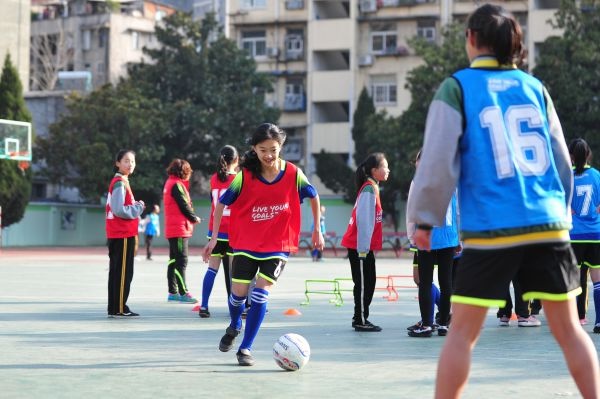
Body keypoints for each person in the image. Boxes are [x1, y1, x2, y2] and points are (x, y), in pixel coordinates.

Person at [407, 4, 599, 397]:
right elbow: (562, 161)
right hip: (548, 225)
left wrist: (424, 219)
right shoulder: (535, 88)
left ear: (472, 40)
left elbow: (438, 161)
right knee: (569, 331)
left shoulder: (456, 87)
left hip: (493, 229)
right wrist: (559, 214)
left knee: (461, 334)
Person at [202, 123, 324, 367]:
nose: (269, 155)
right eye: (263, 150)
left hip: (278, 244)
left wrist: (317, 230)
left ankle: (246, 348)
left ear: (281, 147)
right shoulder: (244, 176)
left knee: (260, 292)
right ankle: (235, 323)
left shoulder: (293, 173)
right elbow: (221, 205)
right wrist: (214, 238)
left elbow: (313, 195)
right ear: (254, 149)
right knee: (237, 296)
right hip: (246, 242)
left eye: (274, 149)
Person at [407, 149, 459, 337]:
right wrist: (458, 237)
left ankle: (428, 324)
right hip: (449, 236)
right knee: (447, 282)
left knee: (426, 282)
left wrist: (411, 235)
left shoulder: (420, 181)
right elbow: (458, 209)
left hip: (426, 235)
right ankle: (444, 324)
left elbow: (412, 210)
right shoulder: (452, 180)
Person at [341, 152, 390, 332]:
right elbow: (364, 220)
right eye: (385, 166)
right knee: (362, 284)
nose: (388, 170)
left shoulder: (373, 187)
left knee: (369, 282)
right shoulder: (369, 188)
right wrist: (363, 249)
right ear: (374, 170)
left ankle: (361, 316)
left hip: (363, 246)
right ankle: (360, 319)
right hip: (359, 247)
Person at [199, 145, 239, 318]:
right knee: (233, 273)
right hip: (233, 232)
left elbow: (214, 203)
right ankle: (235, 308)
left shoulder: (214, 179)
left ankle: (204, 306)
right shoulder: (238, 179)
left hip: (215, 231)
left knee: (211, 270)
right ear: (236, 160)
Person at [105, 149, 145, 317]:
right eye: (126, 161)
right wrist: (138, 207)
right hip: (122, 234)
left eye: (133, 161)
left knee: (116, 272)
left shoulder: (120, 181)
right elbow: (118, 209)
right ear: (118, 163)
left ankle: (115, 307)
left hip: (118, 233)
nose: (130, 164)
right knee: (123, 273)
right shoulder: (120, 182)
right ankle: (119, 308)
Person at [568, 138, 600, 332]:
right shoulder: (597, 175)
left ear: (571, 156)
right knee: (598, 281)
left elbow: (559, 203)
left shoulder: (566, 177)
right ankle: (599, 321)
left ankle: (573, 322)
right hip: (596, 234)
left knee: (572, 281)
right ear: (588, 155)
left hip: (574, 235)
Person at [163, 159, 202, 303]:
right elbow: (183, 205)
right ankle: (183, 292)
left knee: (173, 260)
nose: (189, 174)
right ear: (183, 172)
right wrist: (194, 218)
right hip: (179, 229)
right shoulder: (177, 185)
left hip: (174, 227)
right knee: (181, 261)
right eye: (188, 171)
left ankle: (172, 292)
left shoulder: (169, 183)